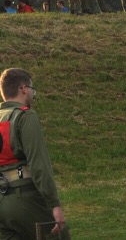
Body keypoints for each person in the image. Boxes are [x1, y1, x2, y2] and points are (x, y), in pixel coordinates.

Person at [0, 68, 70, 239]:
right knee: (59, 235)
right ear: (24, 89)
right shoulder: (25, 117)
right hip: (24, 199)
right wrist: (54, 204)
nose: (33, 94)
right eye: (32, 89)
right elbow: (39, 166)